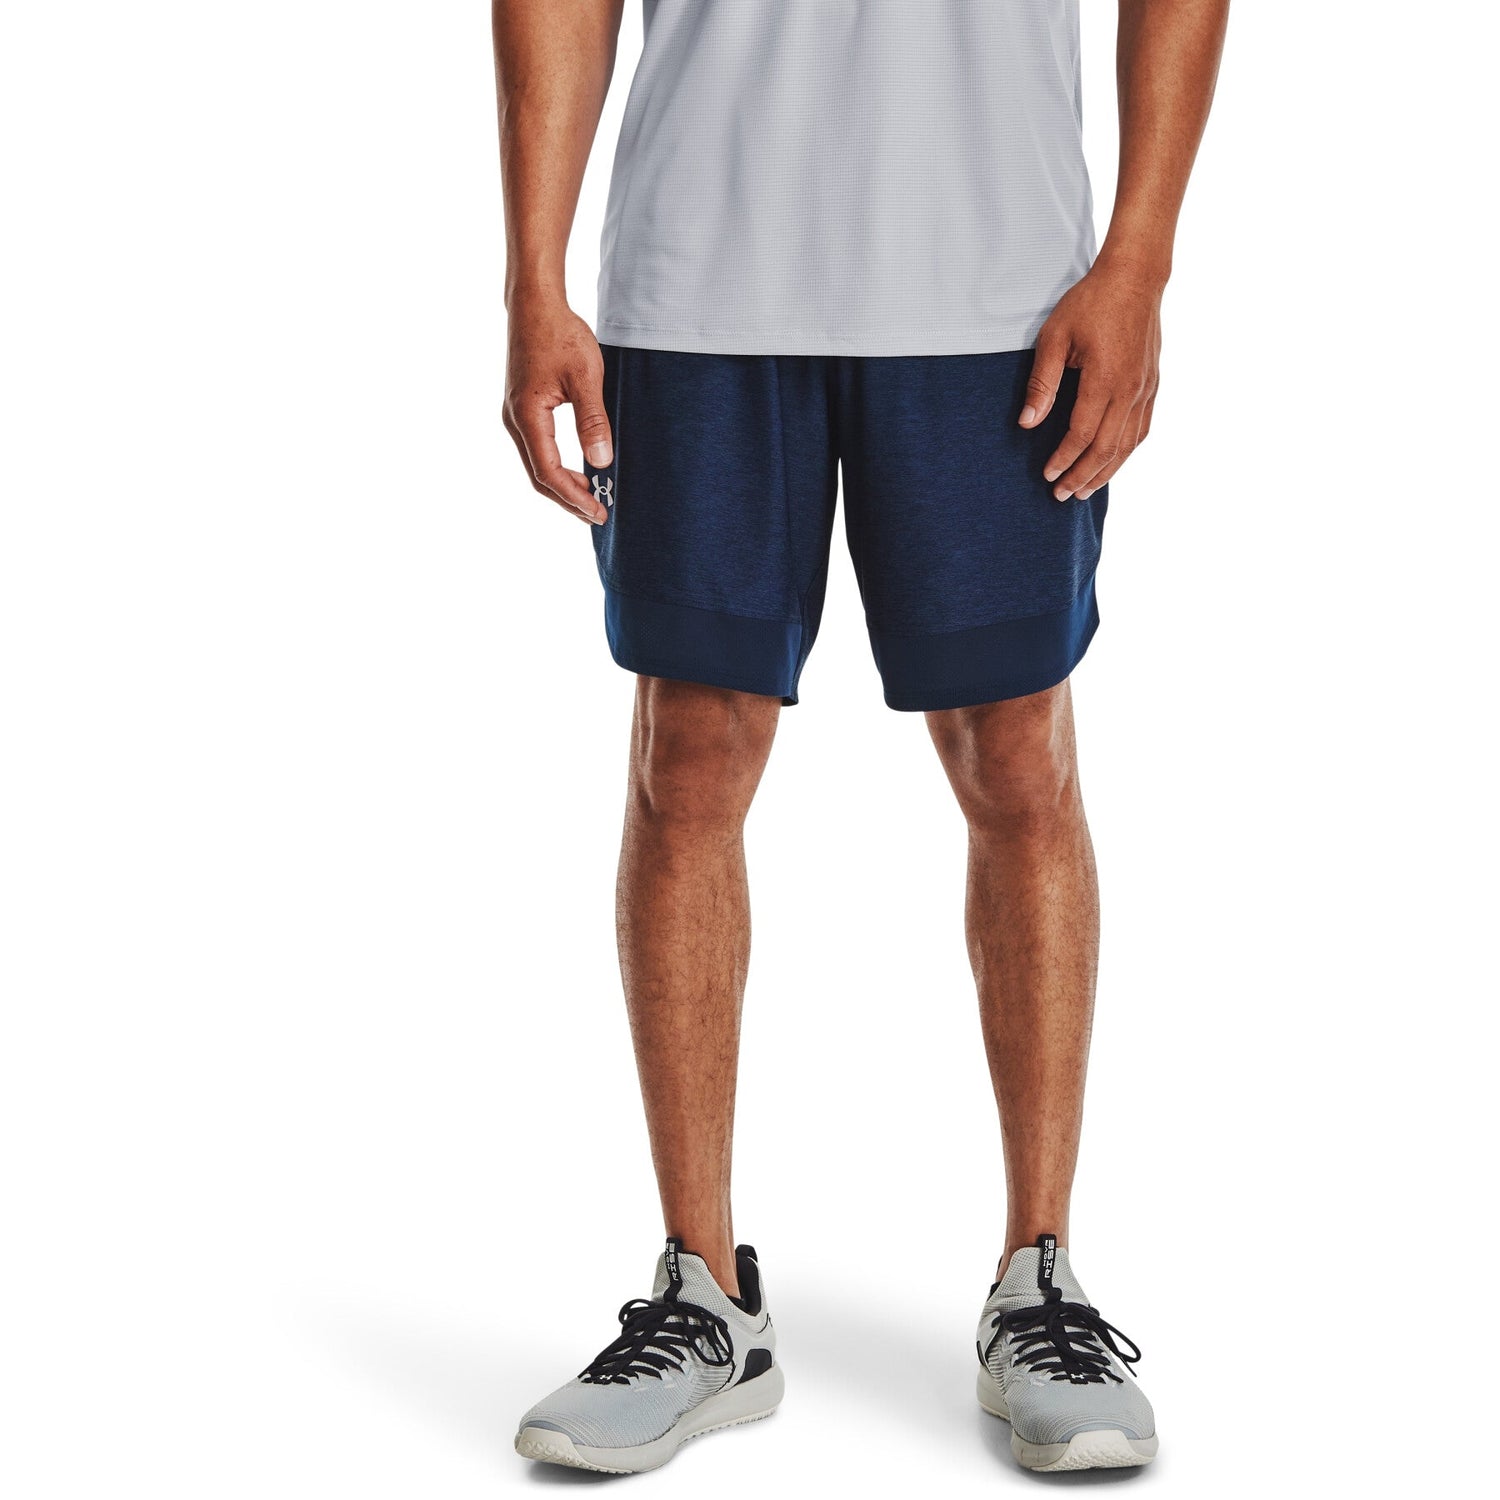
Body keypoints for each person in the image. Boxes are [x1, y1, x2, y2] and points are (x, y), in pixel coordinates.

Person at [493, 0, 1227, 1475]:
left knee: (1018, 756)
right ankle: (704, 1298)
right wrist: (533, 276)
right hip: (698, 279)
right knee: (688, 757)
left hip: (998, 287)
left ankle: (1039, 1282)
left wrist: (1139, 256)